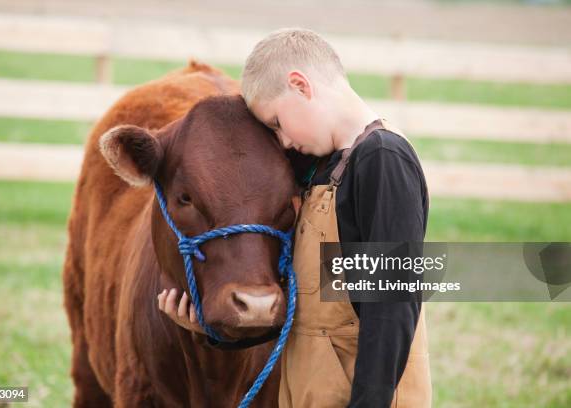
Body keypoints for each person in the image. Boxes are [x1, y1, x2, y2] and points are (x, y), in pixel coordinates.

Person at [159, 28, 432, 407]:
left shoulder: (383, 160)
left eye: (276, 123)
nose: (284, 142)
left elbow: (393, 304)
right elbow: (309, 315)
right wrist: (214, 330)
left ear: (300, 85)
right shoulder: (321, 169)